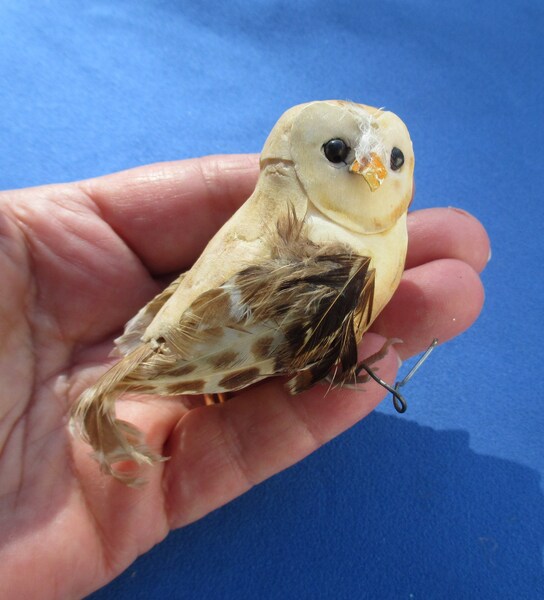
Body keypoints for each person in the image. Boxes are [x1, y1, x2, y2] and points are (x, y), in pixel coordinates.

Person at [0, 154, 490, 598]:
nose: (370, 166)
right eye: (337, 152)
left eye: (393, 159)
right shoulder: (331, 256)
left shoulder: (366, 244)